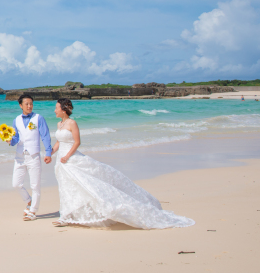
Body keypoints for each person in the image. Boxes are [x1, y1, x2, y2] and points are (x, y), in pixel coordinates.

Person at [50, 98, 194, 229]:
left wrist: (67, 156)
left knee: (88, 185)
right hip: (61, 161)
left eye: (56, 108)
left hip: (71, 159)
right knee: (66, 186)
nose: (54, 110)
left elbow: (77, 142)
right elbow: (59, 142)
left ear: (63, 109)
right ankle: (67, 214)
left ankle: (69, 215)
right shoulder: (59, 124)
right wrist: (51, 153)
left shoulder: (72, 123)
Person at [7, 94, 53, 221]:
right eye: (26, 104)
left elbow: (45, 136)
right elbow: (16, 138)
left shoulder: (39, 118)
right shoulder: (16, 120)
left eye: (31, 104)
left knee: (35, 185)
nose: (29, 106)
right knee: (16, 184)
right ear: (21, 105)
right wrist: (10, 141)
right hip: (20, 156)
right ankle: (29, 201)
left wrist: (48, 153)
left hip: (34, 156)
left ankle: (33, 211)